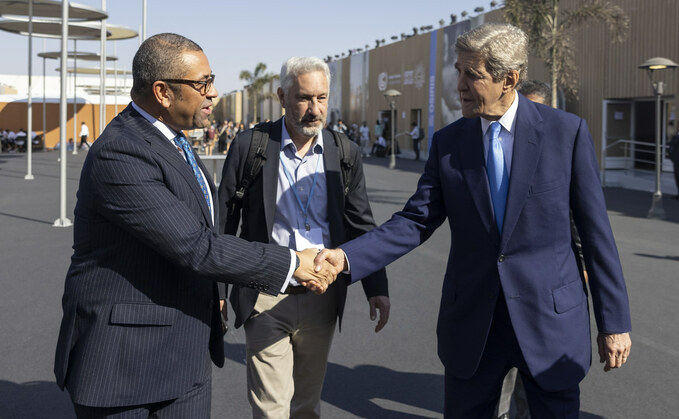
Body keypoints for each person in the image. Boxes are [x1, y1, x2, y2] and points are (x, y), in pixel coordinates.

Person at [316, 23, 631, 418]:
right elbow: (414, 221)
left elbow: (595, 234)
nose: (459, 85)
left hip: (551, 325)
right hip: (473, 327)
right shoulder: (449, 143)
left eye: (472, 75)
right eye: (457, 71)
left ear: (509, 80)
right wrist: (345, 258)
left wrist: (613, 322)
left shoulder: (565, 134)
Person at [53, 33, 336, 418]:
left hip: (184, 359)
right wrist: (292, 263)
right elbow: (196, 245)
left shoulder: (176, 143)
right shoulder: (121, 152)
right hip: (126, 367)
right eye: (202, 83)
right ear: (163, 92)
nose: (213, 92)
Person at [218, 56, 389, 419]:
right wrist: (216, 290)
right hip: (265, 293)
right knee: (271, 408)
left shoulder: (345, 153)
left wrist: (377, 287)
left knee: (307, 406)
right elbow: (224, 222)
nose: (315, 109)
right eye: (304, 98)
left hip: (322, 297)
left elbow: (361, 224)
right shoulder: (251, 146)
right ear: (282, 96)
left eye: (322, 98)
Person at [669, 127, 679, 199]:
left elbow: (675, 142)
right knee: (677, 178)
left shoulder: (676, 137)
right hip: (676, 160)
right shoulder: (675, 136)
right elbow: (671, 143)